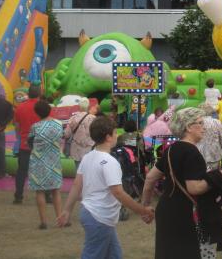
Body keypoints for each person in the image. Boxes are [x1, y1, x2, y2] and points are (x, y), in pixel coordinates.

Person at [57, 116, 154, 258]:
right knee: (93, 254)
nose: (116, 136)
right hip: (99, 216)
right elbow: (119, 193)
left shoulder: (88, 157)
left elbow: (77, 185)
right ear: (109, 137)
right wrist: (143, 211)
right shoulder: (110, 162)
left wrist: (67, 210)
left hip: (92, 213)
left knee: (114, 254)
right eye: (115, 133)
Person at [142, 107, 222, 258]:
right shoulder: (191, 152)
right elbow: (194, 188)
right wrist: (220, 175)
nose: (204, 127)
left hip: (166, 209)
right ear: (189, 127)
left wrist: (146, 205)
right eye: (200, 123)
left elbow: (150, 178)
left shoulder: (171, 149)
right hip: (185, 213)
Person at [28, 99, 63, 229]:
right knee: (56, 190)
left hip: (38, 161)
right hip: (54, 160)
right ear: (50, 109)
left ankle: (43, 222)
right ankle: (60, 219)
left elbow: (30, 143)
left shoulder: (35, 127)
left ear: (37, 113)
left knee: (40, 191)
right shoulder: (58, 124)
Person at [13, 83, 42, 204]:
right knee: (42, 170)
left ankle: (18, 195)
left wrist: (19, 136)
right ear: (39, 94)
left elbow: (16, 125)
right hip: (40, 144)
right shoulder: (43, 107)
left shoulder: (20, 108)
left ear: (28, 93)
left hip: (25, 143)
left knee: (21, 171)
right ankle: (47, 195)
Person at [64, 98, 96, 168]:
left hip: (76, 148)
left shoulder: (73, 118)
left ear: (79, 106)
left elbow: (67, 134)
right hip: (89, 147)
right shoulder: (93, 119)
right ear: (88, 106)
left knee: (78, 169)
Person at [196, 104, 222, 171]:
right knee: (214, 175)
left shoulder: (196, 123)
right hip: (215, 153)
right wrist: (221, 149)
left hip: (199, 152)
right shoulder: (216, 122)